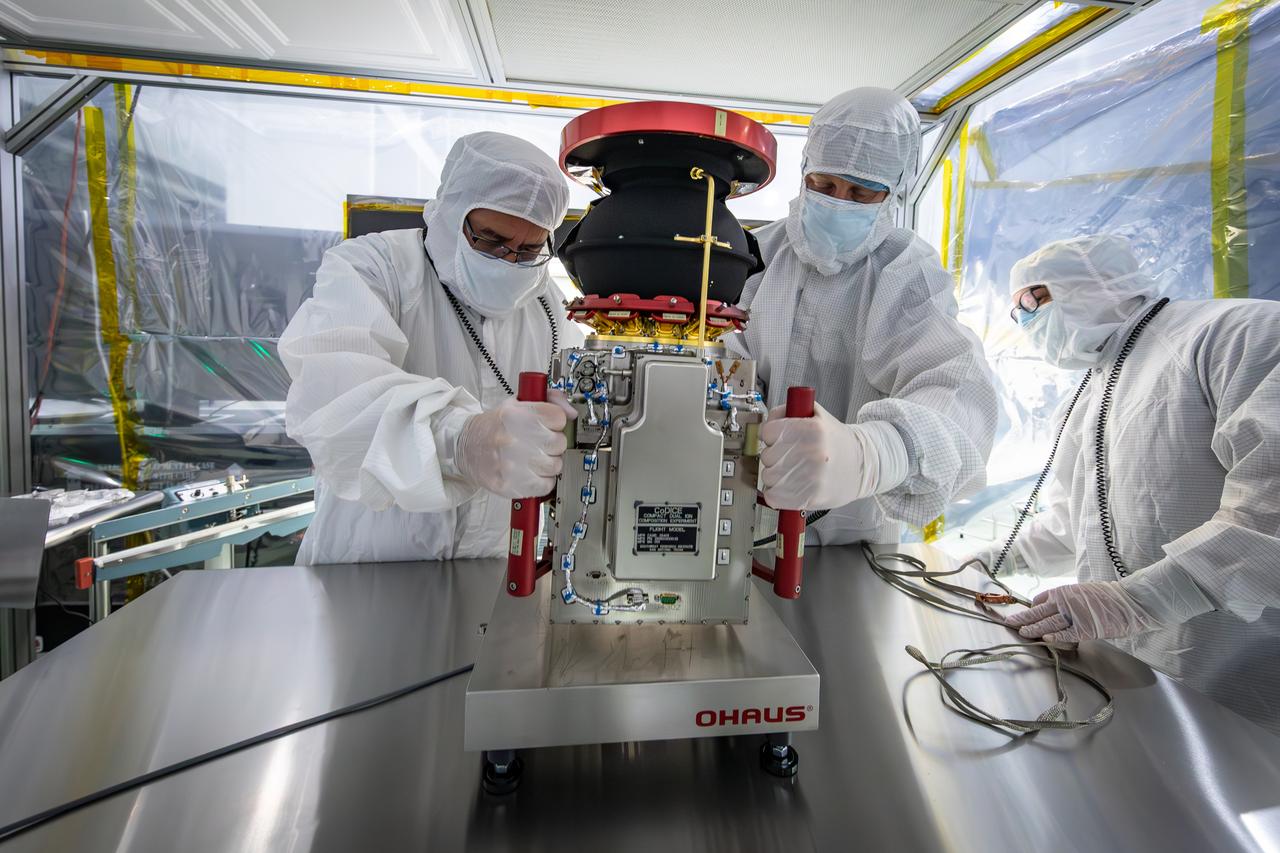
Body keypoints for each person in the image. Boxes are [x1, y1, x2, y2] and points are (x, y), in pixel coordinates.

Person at [985, 234, 1280, 735]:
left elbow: (1269, 511)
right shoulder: (1088, 392)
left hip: (1240, 675)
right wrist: (992, 560)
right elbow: (1075, 522)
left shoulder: (1241, 333)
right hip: (1128, 669)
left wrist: (1137, 601)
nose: (1026, 324)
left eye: (1030, 303)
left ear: (1086, 284)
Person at [279, 132, 579, 564]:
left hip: (493, 570)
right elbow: (334, 400)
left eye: (529, 249)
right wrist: (461, 442)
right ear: (450, 214)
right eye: (492, 241)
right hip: (368, 574)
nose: (509, 262)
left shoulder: (548, 306)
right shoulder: (375, 268)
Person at [730, 87, 998, 543]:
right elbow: (718, 352)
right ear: (804, 172)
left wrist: (875, 453)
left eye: (861, 192)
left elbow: (958, 389)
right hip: (733, 515)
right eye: (825, 185)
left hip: (847, 537)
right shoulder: (756, 253)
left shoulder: (905, 270)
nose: (839, 202)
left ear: (894, 190)